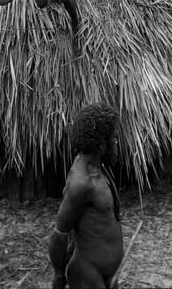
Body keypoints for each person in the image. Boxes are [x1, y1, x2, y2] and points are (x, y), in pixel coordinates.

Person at [49, 104, 123, 289]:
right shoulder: (81, 183)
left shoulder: (100, 167)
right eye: (113, 137)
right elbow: (59, 234)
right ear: (101, 143)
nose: (116, 141)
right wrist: (59, 274)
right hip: (88, 275)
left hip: (106, 275)